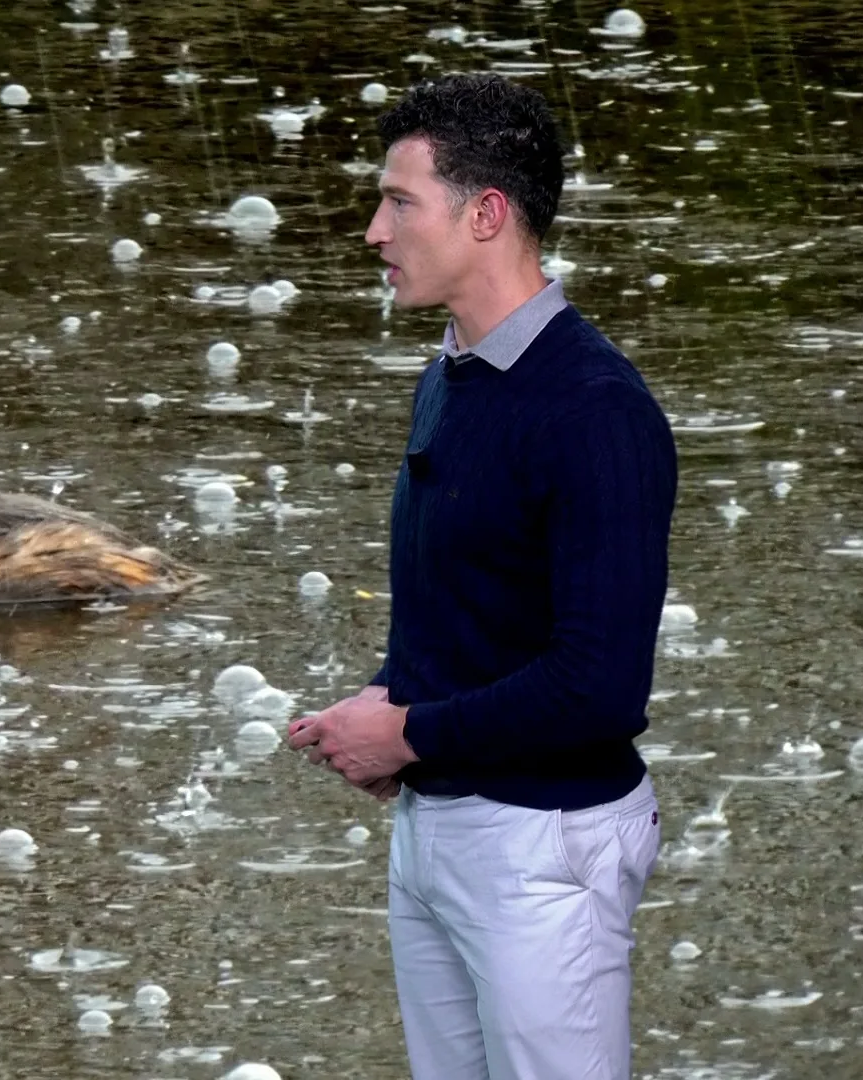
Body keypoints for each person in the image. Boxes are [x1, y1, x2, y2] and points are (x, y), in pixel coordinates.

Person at [285, 72, 679, 1080]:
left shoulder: (595, 410)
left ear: (488, 213)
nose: (375, 230)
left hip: (547, 849)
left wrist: (408, 731)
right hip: (438, 827)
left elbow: (599, 686)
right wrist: (389, 700)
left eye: (399, 201)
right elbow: (475, 599)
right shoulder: (452, 373)